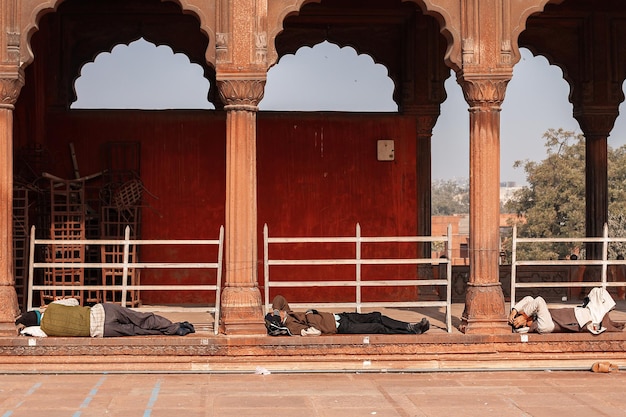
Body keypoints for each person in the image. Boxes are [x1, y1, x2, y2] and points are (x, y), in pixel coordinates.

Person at [14, 298, 196, 337]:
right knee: (141, 318)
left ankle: (175, 331)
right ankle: (175, 326)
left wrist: (24, 331)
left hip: (101, 330)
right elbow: (75, 301)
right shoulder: (53, 307)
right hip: (102, 311)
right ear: (39, 312)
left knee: (139, 331)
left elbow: (34, 333)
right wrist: (49, 305)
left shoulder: (44, 330)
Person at [266, 295, 430, 336]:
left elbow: (279, 298)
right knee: (378, 327)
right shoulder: (291, 325)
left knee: (377, 316)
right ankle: (411, 331)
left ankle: (409, 325)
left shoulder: (289, 313)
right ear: (279, 319)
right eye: (277, 312)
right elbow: (312, 332)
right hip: (341, 326)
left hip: (341, 316)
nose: (280, 309)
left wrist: (275, 313)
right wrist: (311, 319)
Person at [508, 287, 625, 334]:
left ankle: (603, 308)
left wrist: (514, 311)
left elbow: (529, 299)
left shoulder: (534, 317)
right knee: (598, 294)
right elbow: (539, 300)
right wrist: (523, 315)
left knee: (598, 295)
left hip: (576, 313)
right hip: (557, 323)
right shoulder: (543, 325)